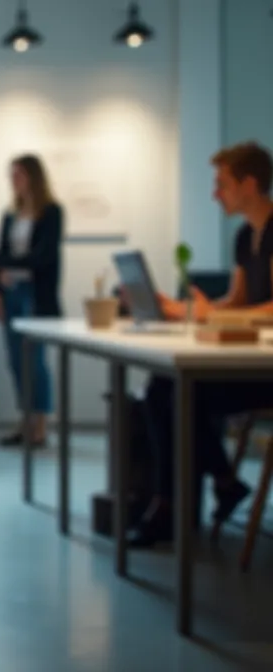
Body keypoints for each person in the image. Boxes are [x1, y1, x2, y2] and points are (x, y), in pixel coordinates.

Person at [127, 141, 273, 546]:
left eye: (221, 184)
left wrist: (217, 315)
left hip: (267, 370)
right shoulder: (246, 236)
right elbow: (239, 302)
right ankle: (216, 484)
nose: (215, 193)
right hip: (251, 359)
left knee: (183, 395)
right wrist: (187, 309)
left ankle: (184, 502)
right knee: (161, 387)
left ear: (249, 183)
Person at [0, 154, 63, 447]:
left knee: (35, 360)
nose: (13, 181)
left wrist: (12, 263)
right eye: (11, 175)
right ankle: (24, 421)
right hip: (11, 293)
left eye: (18, 174)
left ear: (33, 177)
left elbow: (44, 257)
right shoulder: (10, 214)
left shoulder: (52, 212)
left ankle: (40, 426)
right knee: (15, 360)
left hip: (36, 295)